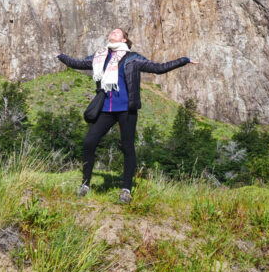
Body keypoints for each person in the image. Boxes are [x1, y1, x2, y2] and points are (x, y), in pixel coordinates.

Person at [57, 28, 194, 204]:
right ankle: (85, 184)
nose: (113, 33)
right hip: (106, 109)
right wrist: (60, 55)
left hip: (126, 109)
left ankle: (126, 189)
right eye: (112, 32)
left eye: (117, 32)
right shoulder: (100, 56)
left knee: (127, 147)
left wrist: (184, 60)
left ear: (124, 40)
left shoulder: (133, 58)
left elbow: (159, 68)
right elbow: (78, 63)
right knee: (89, 142)